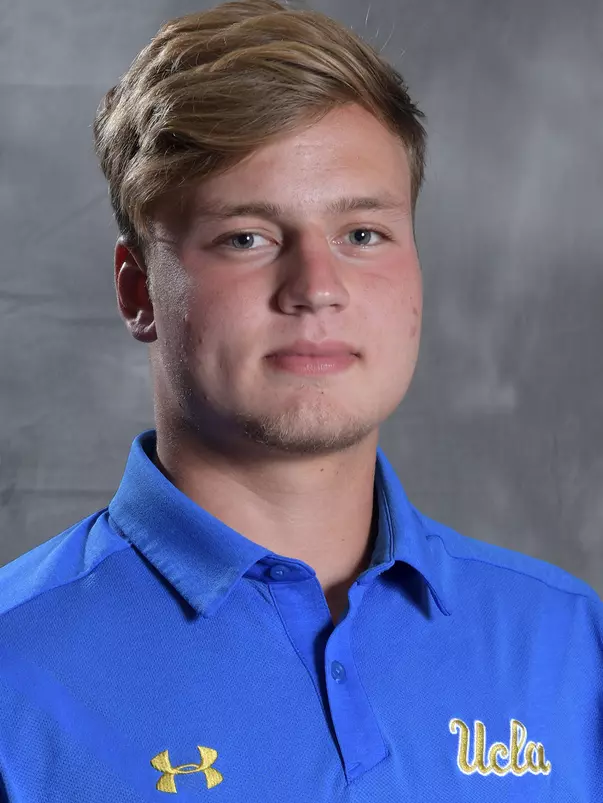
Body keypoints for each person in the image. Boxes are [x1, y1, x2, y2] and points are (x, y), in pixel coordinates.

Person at [0, 0, 601, 800]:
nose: (317, 289)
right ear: (138, 290)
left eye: (362, 234)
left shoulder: (567, 642)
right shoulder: (16, 666)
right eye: (245, 237)